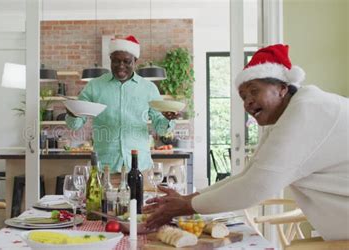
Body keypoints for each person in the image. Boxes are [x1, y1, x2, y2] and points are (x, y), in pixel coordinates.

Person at [144, 44, 349, 241]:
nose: (247, 101)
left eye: (254, 91)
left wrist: (185, 206)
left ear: (282, 88)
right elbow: (247, 175)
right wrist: (187, 199)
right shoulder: (290, 114)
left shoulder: (306, 111)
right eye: (243, 96)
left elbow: (256, 186)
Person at [66, 35, 178, 179]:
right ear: (110, 59)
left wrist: (168, 119)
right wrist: (73, 113)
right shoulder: (94, 86)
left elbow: (161, 128)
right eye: (116, 61)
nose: (121, 66)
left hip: (140, 168)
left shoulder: (148, 88)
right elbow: (75, 124)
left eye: (126, 61)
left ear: (135, 61)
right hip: (105, 168)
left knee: (141, 202)